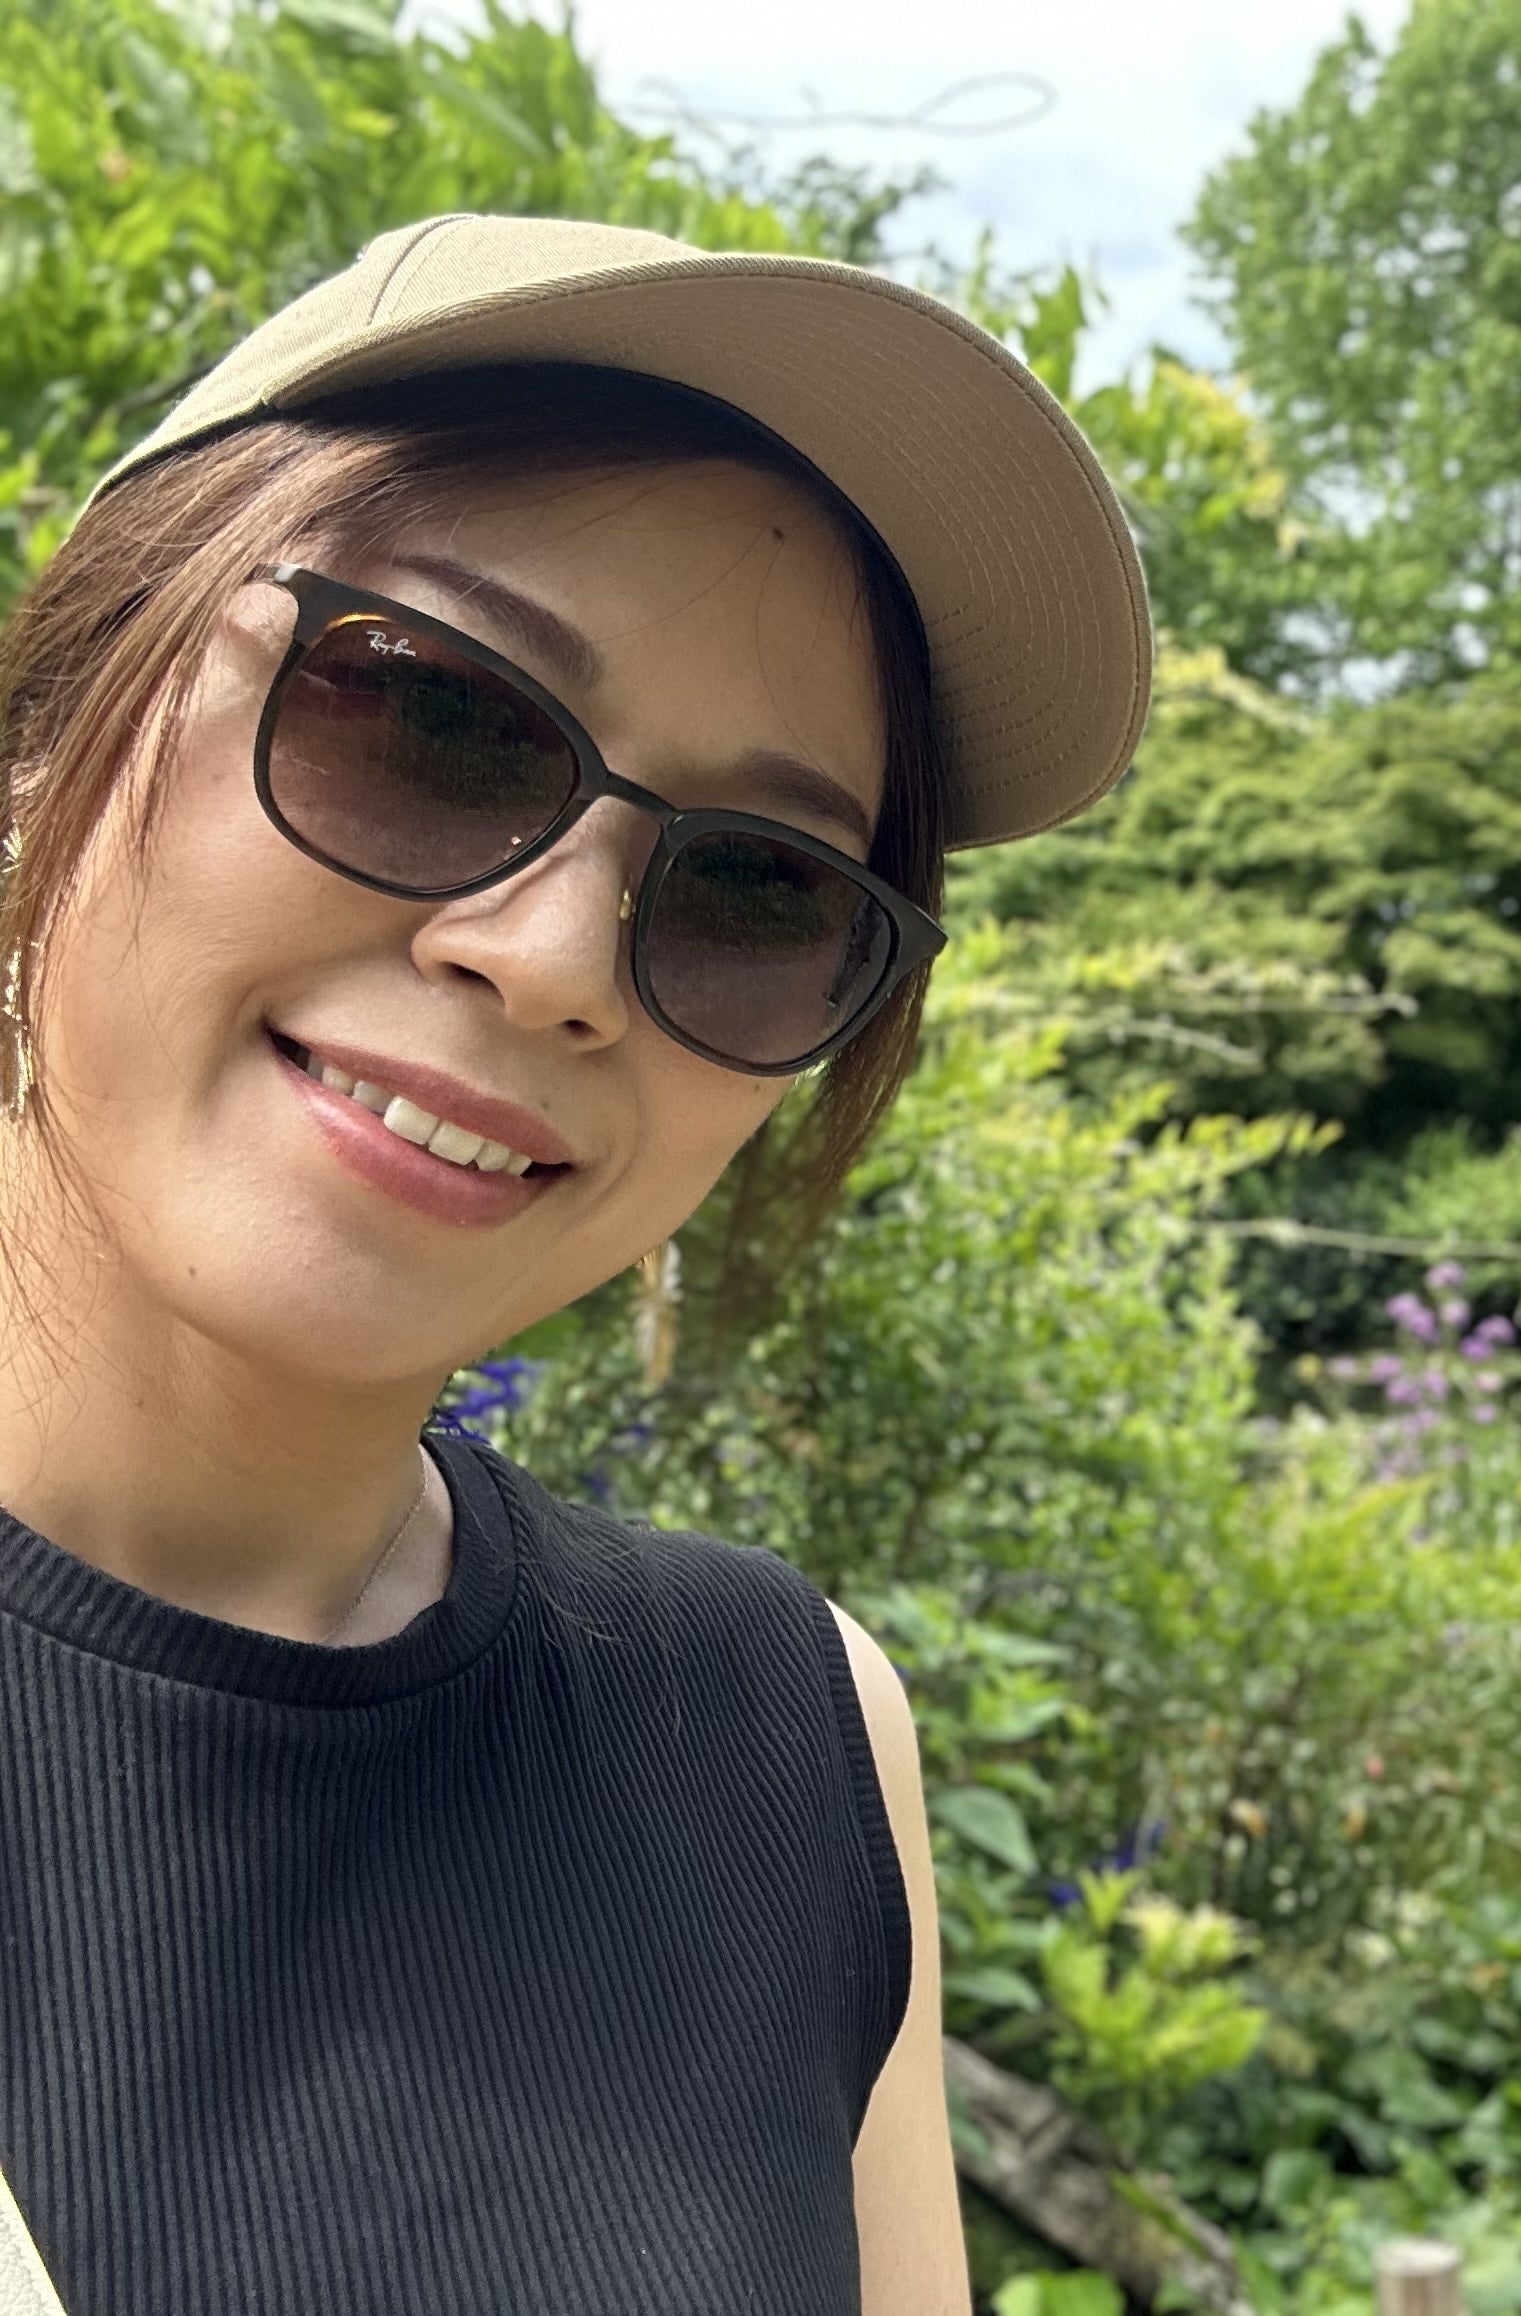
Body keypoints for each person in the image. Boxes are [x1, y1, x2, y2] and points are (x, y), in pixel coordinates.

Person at [0, 217, 1150, 2315]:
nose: (551, 963)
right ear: (55, 711)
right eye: (428, 717)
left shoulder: (781, 1729)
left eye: (752, 892)